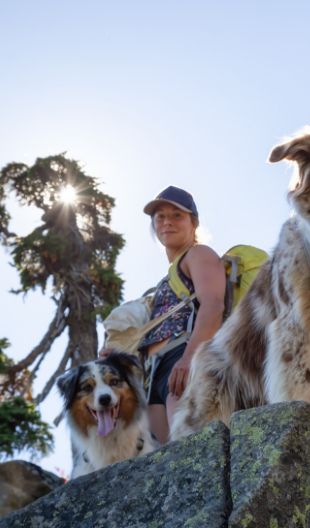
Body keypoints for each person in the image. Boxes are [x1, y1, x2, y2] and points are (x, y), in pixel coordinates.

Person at [101, 186, 225, 444]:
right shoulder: (164, 282)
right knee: (168, 462)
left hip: (184, 358)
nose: (167, 221)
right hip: (156, 373)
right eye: (160, 216)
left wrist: (191, 358)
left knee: (193, 450)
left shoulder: (198, 254)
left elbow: (213, 305)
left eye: (177, 215)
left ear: (194, 224)